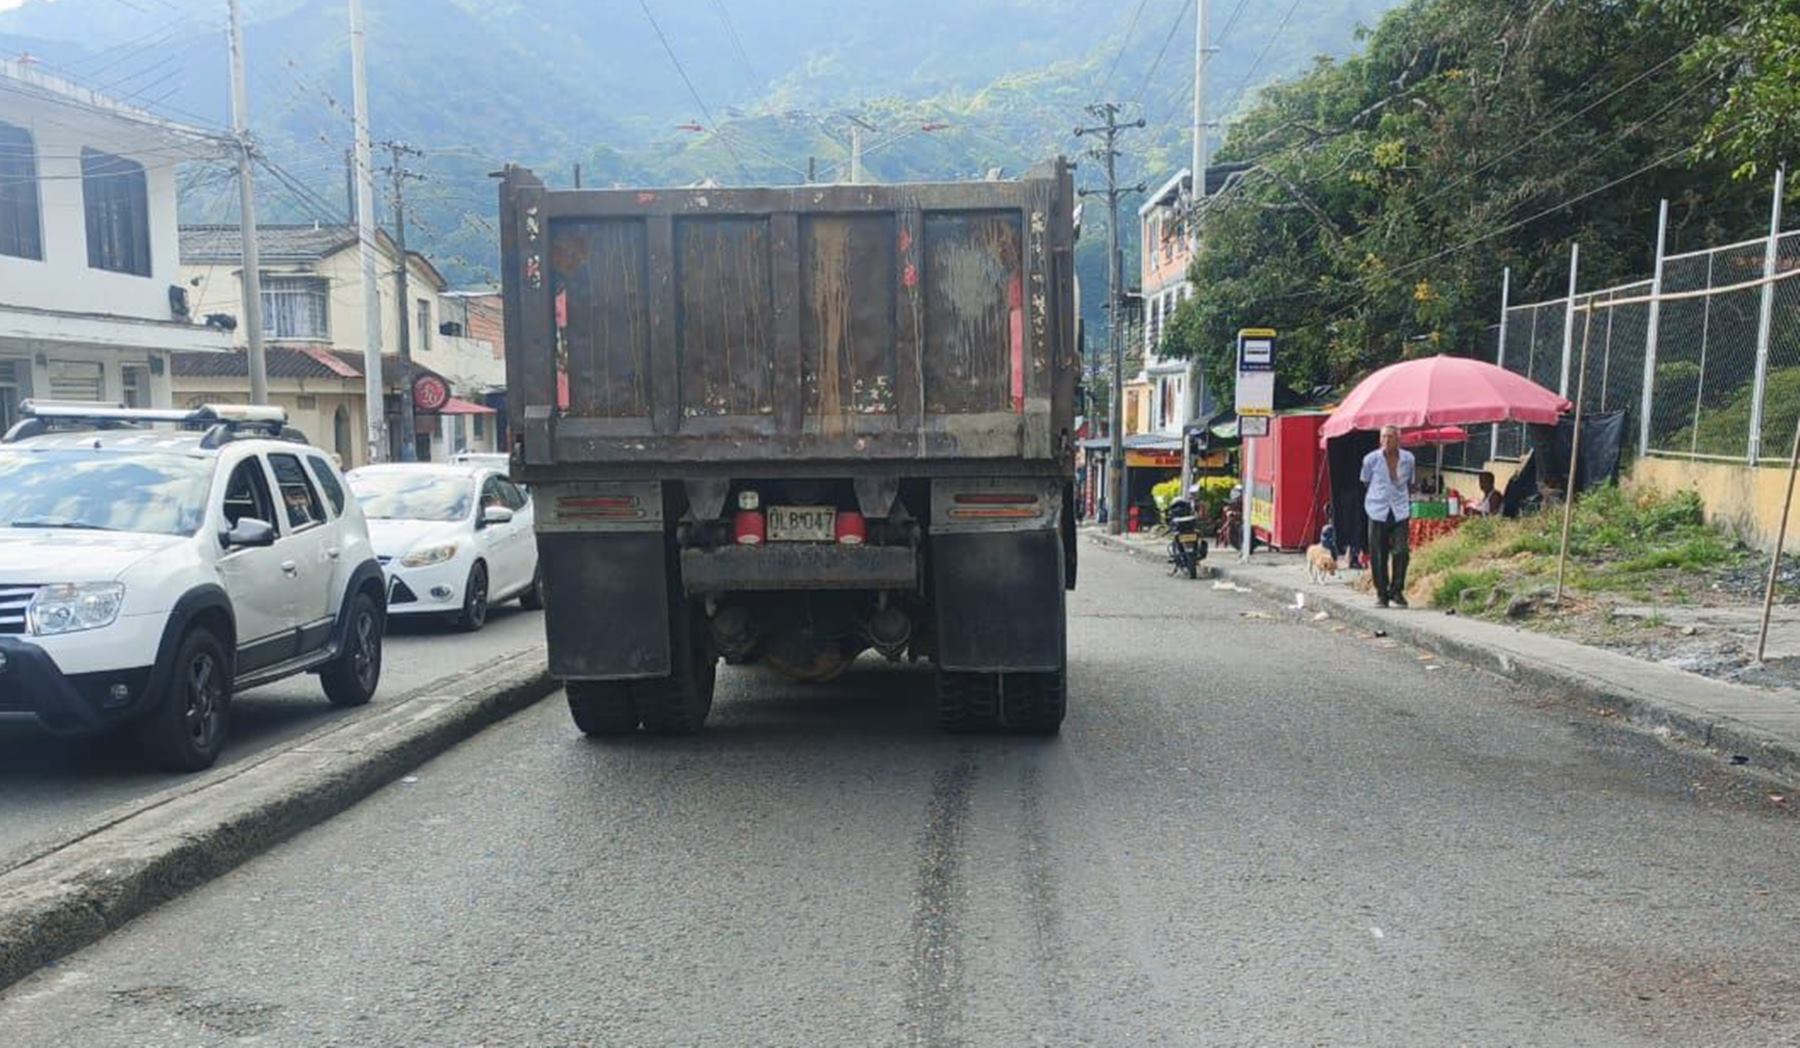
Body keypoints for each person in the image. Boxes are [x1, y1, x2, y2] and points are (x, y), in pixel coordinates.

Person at [1359, 425, 1416, 608]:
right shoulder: (1371, 459)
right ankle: (1381, 594)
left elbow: (1410, 483)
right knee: (1378, 553)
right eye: (1383, 437)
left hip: (1399, 509)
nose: (1386, 441)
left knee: (1401, 551)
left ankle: (1396, 590)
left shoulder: (1408, 459)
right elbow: (1366, 480)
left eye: (1390, 437)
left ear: (1398, 439)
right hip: (1378, 509)